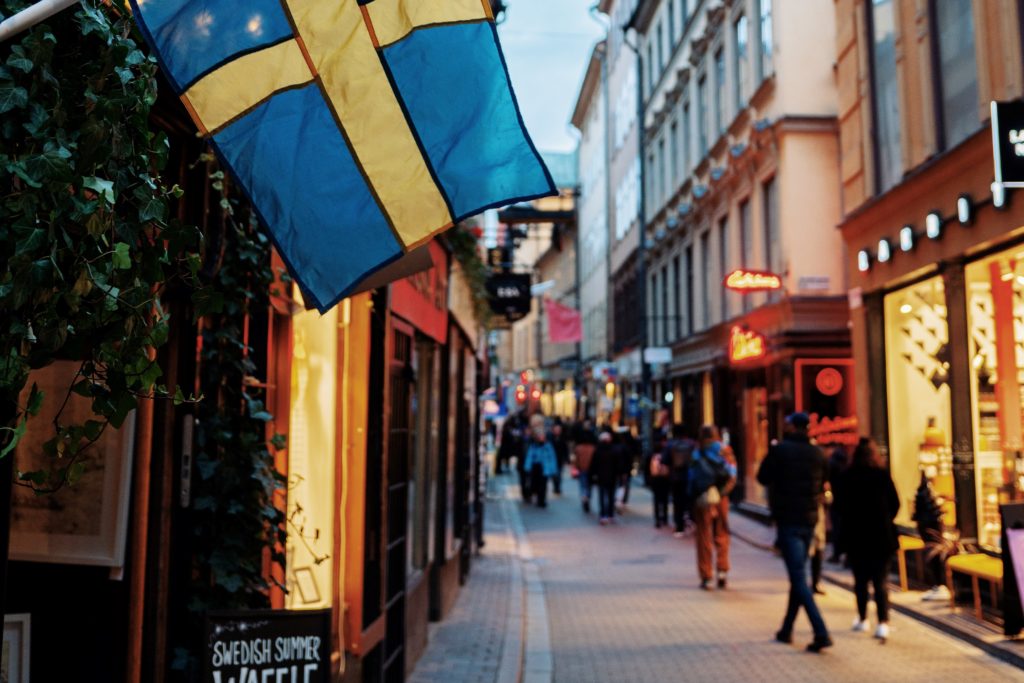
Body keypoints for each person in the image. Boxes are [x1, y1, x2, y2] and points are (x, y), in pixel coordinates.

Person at [757, 412, 833, 652]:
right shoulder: (817, 453)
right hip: (809, 519)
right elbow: (825, 484)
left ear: (792, 427)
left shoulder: (780, 450)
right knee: (797, 576)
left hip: (788, 519)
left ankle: (821, 632)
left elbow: (762, 476)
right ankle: (786, 629)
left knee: (798, 578)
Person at [839, 437, 900, 641]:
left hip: (857, 536)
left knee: (860, 581)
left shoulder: (848, 476)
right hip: (881, 536)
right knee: (880, 581)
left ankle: (862, 618)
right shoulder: (882, 475)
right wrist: (884, 519)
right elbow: (895, 503)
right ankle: (883, 622)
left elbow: (842, 508)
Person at [688, 425, 736, 590]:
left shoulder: (697, 451)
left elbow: (691, 477)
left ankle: (706, 576)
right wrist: (721, 493)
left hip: (702, 498)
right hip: (721, 498)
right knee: (722, 532)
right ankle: (722, 571)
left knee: (703, 536)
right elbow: (732, 475)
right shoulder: (725, 450)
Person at [664, 424, 696, 537]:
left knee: (677, 502)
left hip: (676, 477)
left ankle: (679, 527)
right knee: (691, 500)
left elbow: (665, 460)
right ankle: (692, 520)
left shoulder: (670, 445)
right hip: (691, 476)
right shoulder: (692, 444)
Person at [523, 416, 557, 507]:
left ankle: (541, 500)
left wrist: (553, 469)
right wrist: (528, 466)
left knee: (543, 484)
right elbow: (530, 455)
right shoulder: (533, 443)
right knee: (536, 483)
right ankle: (536, 497)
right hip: (536, 466)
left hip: (544, 467)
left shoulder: (547, 444)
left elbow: (551, 457)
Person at [591, 428, 620, 524]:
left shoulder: (598, 451)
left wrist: (593, 475)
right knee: (610, 496)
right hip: (611, 477)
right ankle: (610, 514)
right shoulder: (613, 450)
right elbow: (617, 465)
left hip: (601, 477)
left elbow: (593, 465)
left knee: (602, 496)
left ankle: (603, 515)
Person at [647, 439, 672, 528]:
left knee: (657, 499)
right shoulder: (665, 454)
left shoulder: (651, 455)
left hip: (656, 479)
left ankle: (658, 519)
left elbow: (647, 469)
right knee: (664, 499)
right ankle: (664, 518)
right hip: (664, 479)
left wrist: (648, 481)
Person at [573, 426, 597, 513]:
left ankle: (584, 497)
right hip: (591, 470)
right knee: (589, 486)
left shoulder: (578, 448)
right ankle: (588, 498)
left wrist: (575, 468)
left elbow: (576, 460)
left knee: (583, 485)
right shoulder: (593, 448)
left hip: (582, 469)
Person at [550, 419, 570, 495]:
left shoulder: (563, 439)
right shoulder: (551, 438)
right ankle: (556, 486)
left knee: (559, 474)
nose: (558, 431)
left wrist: (567, 459)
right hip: (552, 459)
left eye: (559, 430)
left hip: (560, 459)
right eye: (556, 430)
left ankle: (558, 487)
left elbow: (565, 449)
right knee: (554, 474)